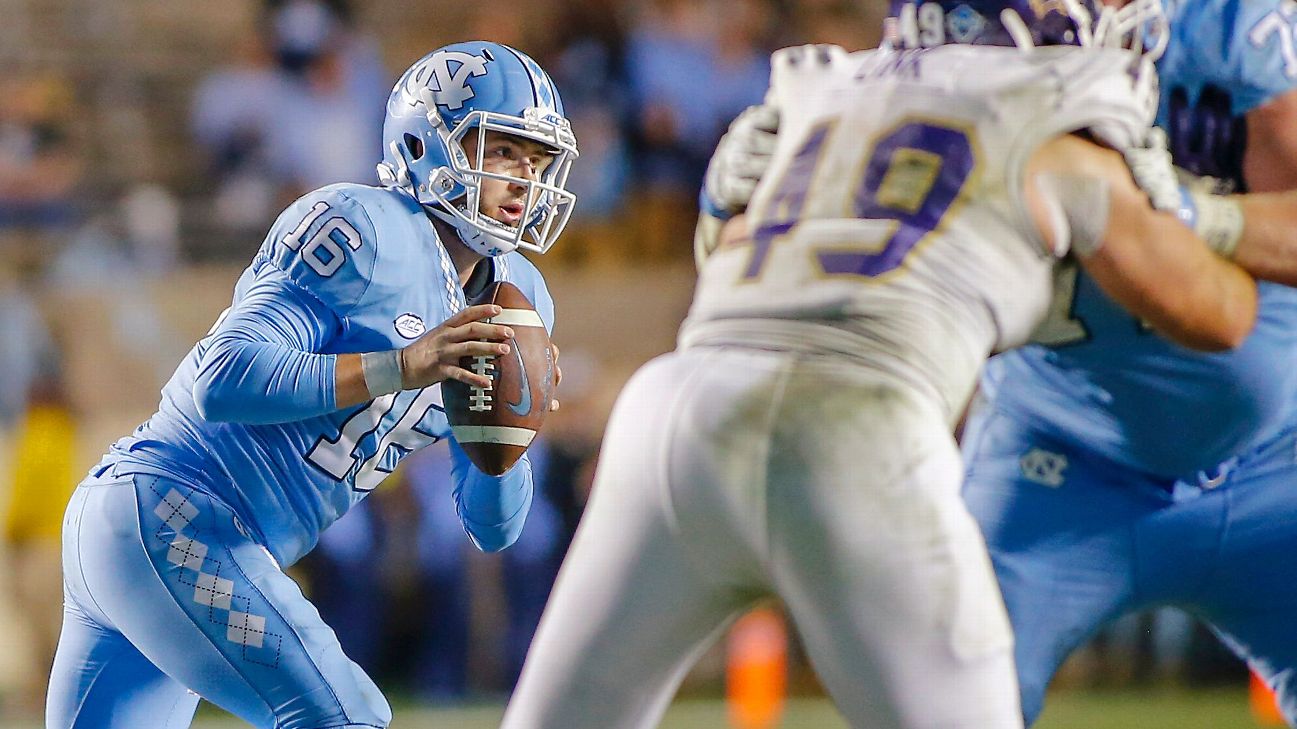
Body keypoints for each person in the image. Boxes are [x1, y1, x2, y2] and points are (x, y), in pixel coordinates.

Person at [501, 2, 1259, 726]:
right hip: (856, 423)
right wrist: (1191, 214)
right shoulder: (1055, 127)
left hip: (672, 413)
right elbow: (1219, 316)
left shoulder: (818, 93)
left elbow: (723, 245)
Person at [45, 40, 577, 729]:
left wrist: (514, 425)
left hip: (176, 537)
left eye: (536, 159)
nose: (522, 179)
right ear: (428, 143)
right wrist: (402, 365)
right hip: (173, 508)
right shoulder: (363, 226)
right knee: (344, 717)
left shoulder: (518, 295)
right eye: (502, 150)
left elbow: (492, 528)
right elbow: (220, 377)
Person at [955, 0, 1297, 723]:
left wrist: (1190, 216)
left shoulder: (1229, 24)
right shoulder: (970, 33)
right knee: (940, 703)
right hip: (1052, 457)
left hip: (1277, 462)